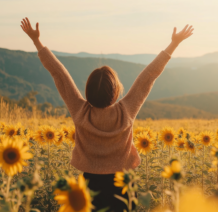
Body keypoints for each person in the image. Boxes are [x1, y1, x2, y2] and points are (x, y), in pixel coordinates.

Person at [20, 17, 194, 212]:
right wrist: (174, 43)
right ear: (116, 91)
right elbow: (149, 76)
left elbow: (59, 74)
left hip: (90, 186)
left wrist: (36, 41)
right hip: (124, 184)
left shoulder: (80, 111)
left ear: (88, 90)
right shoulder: (126, 111)